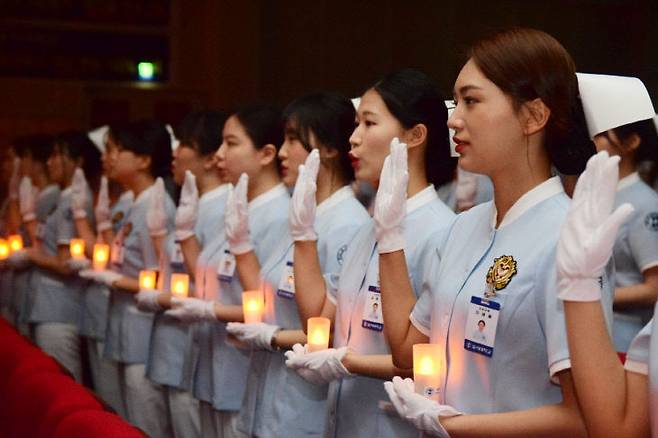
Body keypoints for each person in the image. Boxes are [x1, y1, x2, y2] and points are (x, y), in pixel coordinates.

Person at [380, 28, 602, 436]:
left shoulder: (569, 239)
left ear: (533, 116)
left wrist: (454, 425)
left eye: (472, 100)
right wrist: (390, 237)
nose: (453, 119)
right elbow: (406, 351)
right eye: (456, 102)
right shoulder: (463, 226)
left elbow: (584, 416)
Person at [284, 69, 457, 438]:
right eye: (354, 124)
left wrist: (347, 362)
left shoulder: (443, 231)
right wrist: (304, 236)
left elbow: (428, 358)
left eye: (368, 123)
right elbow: (318, 319)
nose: (353, 139)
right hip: (344, 421)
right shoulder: (368, 229)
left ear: (415, 135)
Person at [224, 92, 369, 438]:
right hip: (266, 395)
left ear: (331, 149)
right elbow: (263, 293)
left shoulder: (347, 222)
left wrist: (272, 336)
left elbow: (326, 329)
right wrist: (241, 245)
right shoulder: (302, 213)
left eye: (293, 139)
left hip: (303, 407)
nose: (284, 152)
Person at [165, 104, 288, 437]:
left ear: (265, 154)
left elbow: (272, 308)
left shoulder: (281, 214)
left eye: (231, 144)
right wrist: (186, 233)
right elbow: (209, 280)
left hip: (243, 367)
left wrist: (210, 309)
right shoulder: (238, 205)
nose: (219, 155)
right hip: (213, 364)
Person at [79, 120, 176, 436]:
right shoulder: (131, 200)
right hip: (123, 325)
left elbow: (162, 278)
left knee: (144, 421)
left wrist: (114, 280)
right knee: (122, 419)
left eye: (117, 150)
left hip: (144, 332)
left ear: (144, 160)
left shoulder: (157, 204)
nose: (109, 157)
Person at [137, 110, 228, 438]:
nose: (174, 152)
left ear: (209, 158)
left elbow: (215, 286)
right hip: (179, 349)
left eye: (185, 144)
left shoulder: (222, 206)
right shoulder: (196, 202)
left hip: (196, 350)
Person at [577, 73, 658, 353]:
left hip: (627, 342)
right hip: (597, 332)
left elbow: (653, 287)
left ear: (631, 141)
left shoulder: (643, 203)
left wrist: (589, 293)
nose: (593, 142)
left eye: (601, 134)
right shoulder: (595, 194)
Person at [15, 131, 100, 382]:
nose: (50, 162)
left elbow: (65, 263)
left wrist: (29, 254)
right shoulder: (65, 198)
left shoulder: (74, 200)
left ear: (78, 161)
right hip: (49, 304)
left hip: (61, 308)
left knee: (62, 380)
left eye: (58, 155)